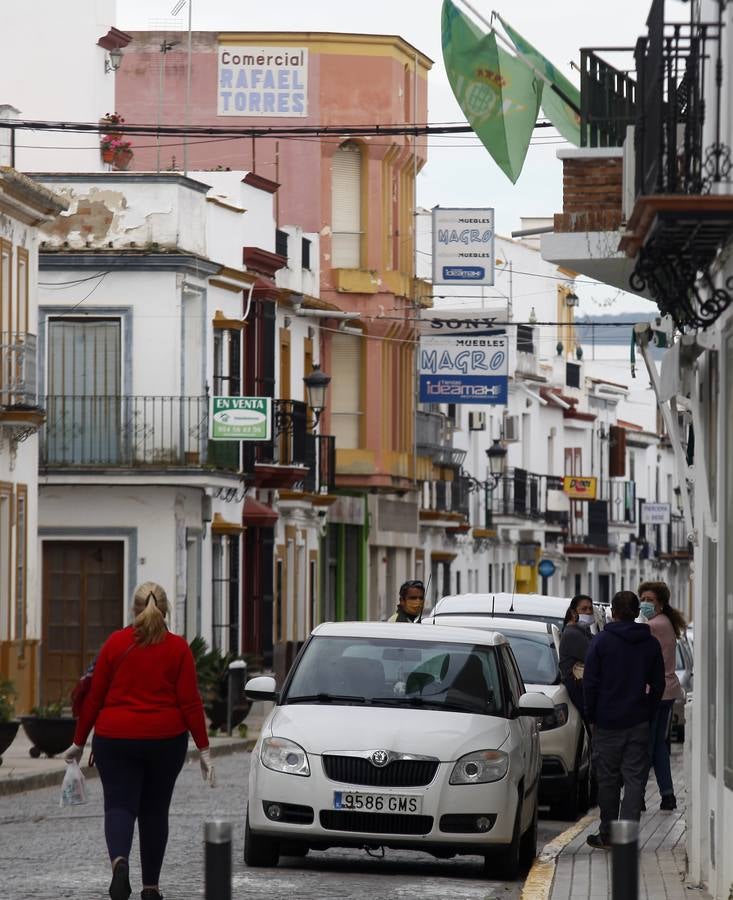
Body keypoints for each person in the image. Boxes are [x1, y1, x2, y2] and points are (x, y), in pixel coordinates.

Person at [63, 582, 214, 900]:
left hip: (115, 739)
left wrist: (78, 742)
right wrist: (204, 748)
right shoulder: (178, 649)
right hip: (165, 740)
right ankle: (150, 887)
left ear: (133, 610)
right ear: (166, 609)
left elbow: (94, 698)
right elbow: (190, 702)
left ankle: (119, 863)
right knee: (155, 812)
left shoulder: (115, 644)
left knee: (119, 805)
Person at [583, 590, 665, 850]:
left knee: (607, 781)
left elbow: (590, 684)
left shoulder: (601, 642)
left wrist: (592, 715)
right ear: (636, 612)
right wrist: (648, 710)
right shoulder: (650, 643)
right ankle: (626, 837)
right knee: (634, 781)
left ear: (614, 613)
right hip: (638, 721)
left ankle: (607, 833)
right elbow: (659, 684)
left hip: (607, 722)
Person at [638, 580, 685, 811]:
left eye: (650, 600)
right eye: (643, 599)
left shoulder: (652, 626)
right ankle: (667, 795)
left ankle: (638, 796)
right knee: (658, 746)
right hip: (668, 691)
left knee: (645, 745)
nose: (645, 603)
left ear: (661, 603)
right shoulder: (666, 622)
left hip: (654, 692)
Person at [558, 594, 595, 718]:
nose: (588, 612)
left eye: (590, 609)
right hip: (577, 689)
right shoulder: (573, 634)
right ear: (574, 613)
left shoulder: (581, 631)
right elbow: (594, 657)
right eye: (584, 609)